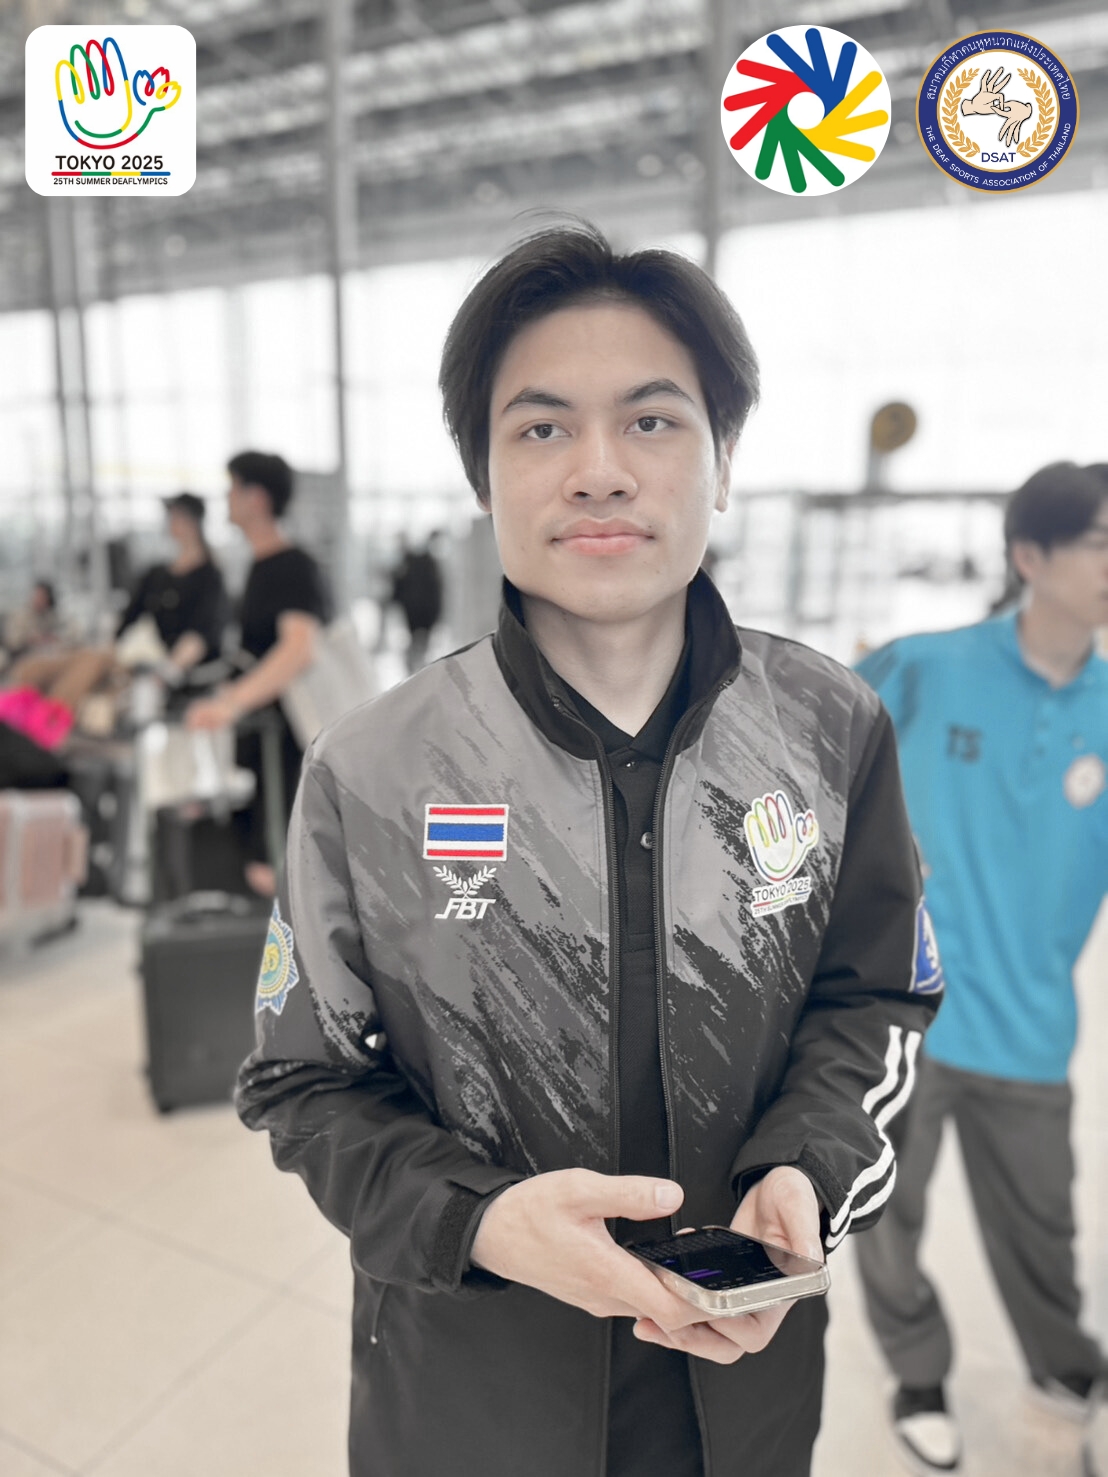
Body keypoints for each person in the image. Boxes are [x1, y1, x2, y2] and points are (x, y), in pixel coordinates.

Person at [235, 223, 940, 1477]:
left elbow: (875, 996)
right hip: (467, 1391)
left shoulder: (828, 729)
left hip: (741, 1383)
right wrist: (481, 1219)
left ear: (723, 462)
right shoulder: (373, 768)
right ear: (484, 474)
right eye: (542, 427)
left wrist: (809, 1168)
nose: (599, 471)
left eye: (652, 421)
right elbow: (302, 1082)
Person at [852, 462, 1108, 1476]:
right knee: (885, 1214)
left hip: (1031, 1029)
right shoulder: (926, 667)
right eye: (1102, 542)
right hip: (900, 1019)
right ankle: (917, 1374)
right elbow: (805, 761)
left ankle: (1066, 1375)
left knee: (1043, 1228)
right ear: (1029, 556)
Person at [187, 451, 329, 898]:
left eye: (232, 488)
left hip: (290, 739)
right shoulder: (260, 565)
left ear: (258, 498)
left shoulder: (291, 565)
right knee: (265, 861)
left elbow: (297, 648)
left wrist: (231, 704)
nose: (226, 499)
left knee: (278, 864)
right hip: (269, 738)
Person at [116, 492, 228, 674]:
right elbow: (130, 617)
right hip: (156, 659)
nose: (170, 522)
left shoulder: (209, 577)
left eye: (176, 516)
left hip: (188, 670)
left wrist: (166, 673)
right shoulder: (157, 574)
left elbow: (203, 633)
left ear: (193, 522)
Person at [388, 532, 444, 672]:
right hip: (417, 614)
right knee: (418, 643)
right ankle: (417, 670)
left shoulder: (421, 563)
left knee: (419, 644)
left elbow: (435, 592)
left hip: (420, 614)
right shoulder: (418, 563)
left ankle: (419, 670)